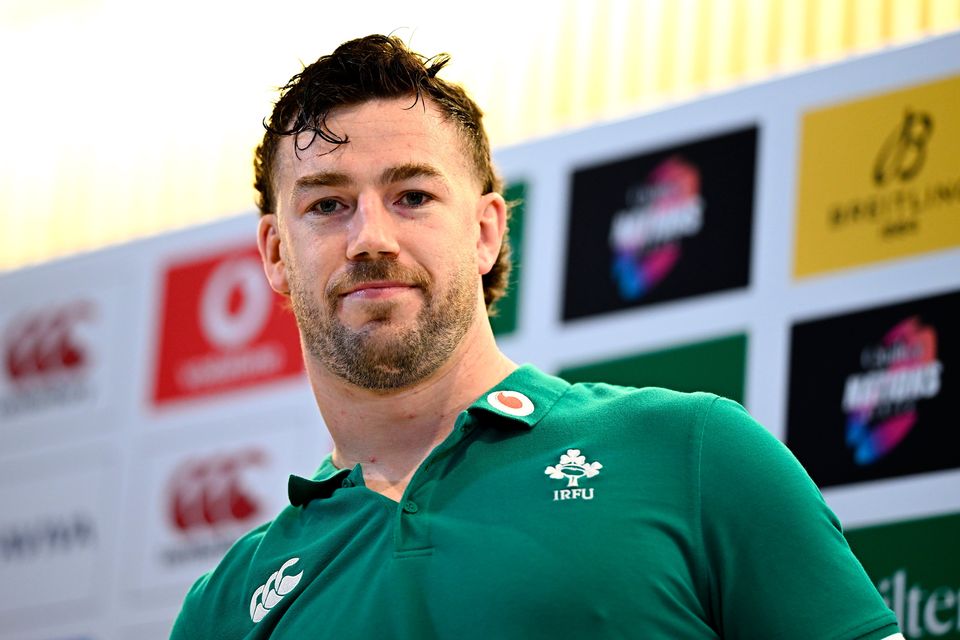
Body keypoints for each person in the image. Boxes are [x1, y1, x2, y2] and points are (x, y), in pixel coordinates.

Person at [170, 35, 903, 640]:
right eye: (328, 203)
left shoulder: (691, 452)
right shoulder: (222, 609)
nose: (371, 237)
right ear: (274, 254)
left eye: (413, 196)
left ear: (486, 230)